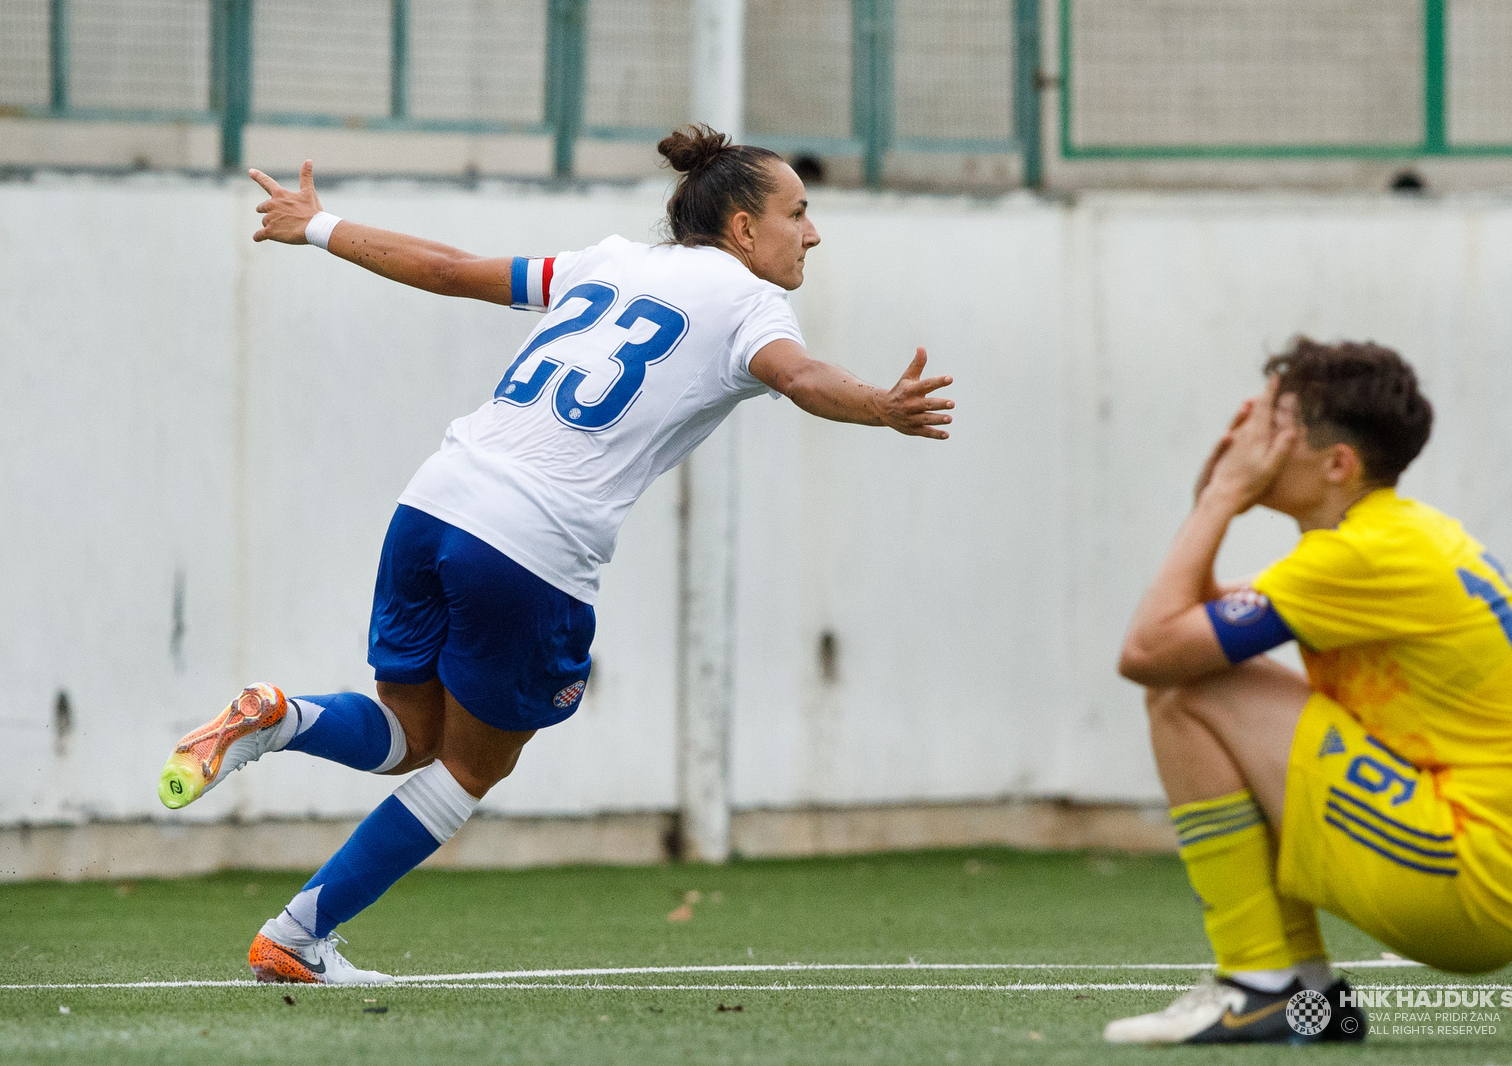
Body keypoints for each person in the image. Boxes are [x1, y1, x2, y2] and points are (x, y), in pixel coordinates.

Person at [157, 125, 955, 985]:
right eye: (798, 212)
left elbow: (451, 269)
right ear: (739, 227)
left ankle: (281, 717)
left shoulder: (608, 263)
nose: (813, 232)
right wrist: (880, 405)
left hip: (434, 498)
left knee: (410, 734)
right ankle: (295, 935)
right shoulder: (749, 303)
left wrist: (319, 224)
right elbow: (801, 378)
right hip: (531, 544)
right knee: (470, 765)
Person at [1106, 338, 1512, 1044]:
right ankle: (1308, 998)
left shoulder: (1362, 555)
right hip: (1496, 872)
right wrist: (1212, 500)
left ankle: (1257, 985)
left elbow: (1149, 652)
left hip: (1473, 879)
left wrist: (1221, 498)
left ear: (1337, 464)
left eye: (1276, 426)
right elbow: (1189, 631)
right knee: (1197, 678)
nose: (1248, 441)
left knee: (1186, 696)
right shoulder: (1386, 540)